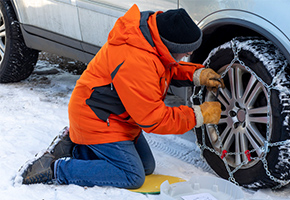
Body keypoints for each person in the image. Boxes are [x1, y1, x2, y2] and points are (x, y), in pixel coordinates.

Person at [21, 4, 223, 189]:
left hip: (117, 118)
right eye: (184, 52)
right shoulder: (136, 61)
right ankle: (56, 168)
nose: (187, 56)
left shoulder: (150, 37)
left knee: (147, 166)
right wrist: (199, 115)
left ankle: (75, 147)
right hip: (97, 119)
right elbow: (154, 119)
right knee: (132, 175)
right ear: (170, 46)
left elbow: (165, 67)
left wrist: (196, 74)